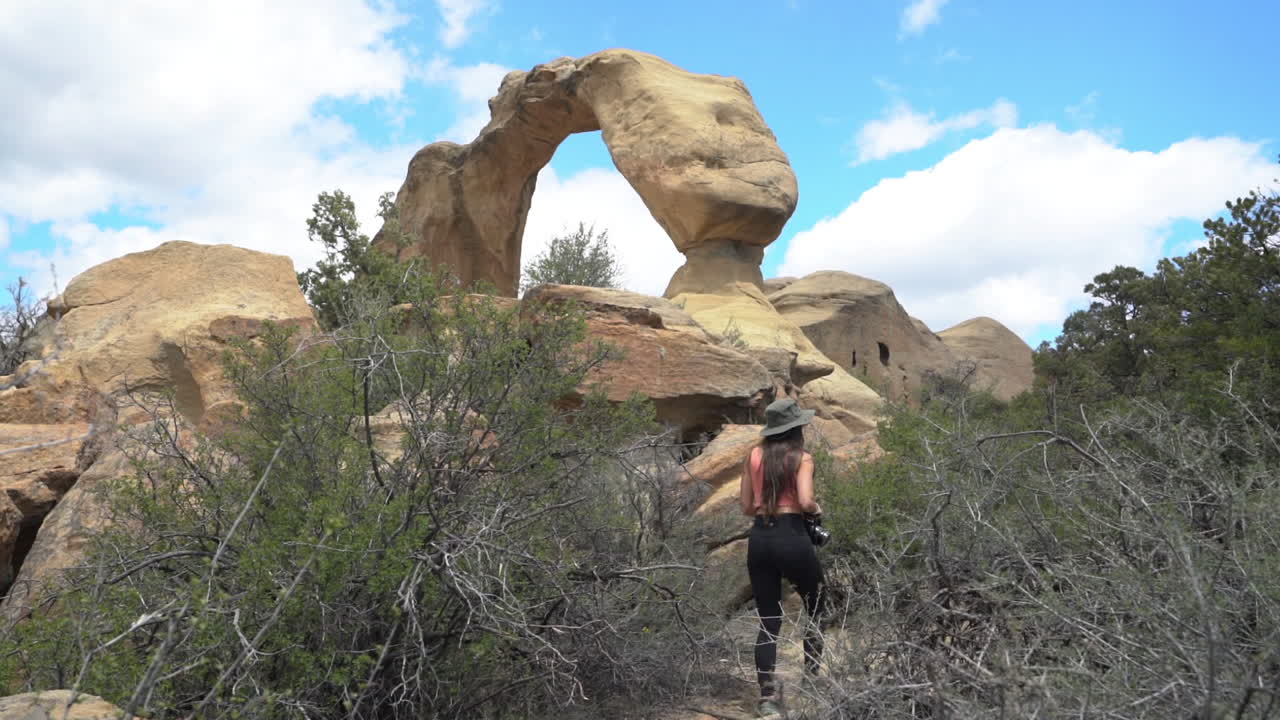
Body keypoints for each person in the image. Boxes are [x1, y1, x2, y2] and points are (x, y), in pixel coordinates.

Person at [739, 397, 826, 719]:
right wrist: (816, 509)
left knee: (769, 620)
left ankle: (767, 699)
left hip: (760, 538)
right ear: (795, 429)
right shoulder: (803, 458)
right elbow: (805, 500)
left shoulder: (753, 455)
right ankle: (811, 682)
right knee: (816, 605)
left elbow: (746, 506)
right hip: (792, 536)